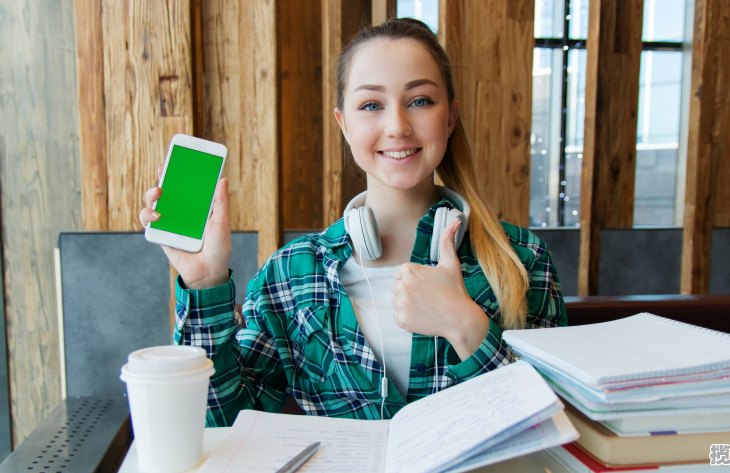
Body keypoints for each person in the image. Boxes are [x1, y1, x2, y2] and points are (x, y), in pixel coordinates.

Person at [139, 18, 566, 427]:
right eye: (371, 105)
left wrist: (464, 324)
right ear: (343, 123)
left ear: (450, 117)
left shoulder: (522, 259)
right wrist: (205, 281)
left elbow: (557, 429)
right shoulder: (293, 274)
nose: (397, 126)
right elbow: (219, 422)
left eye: (420, 101)